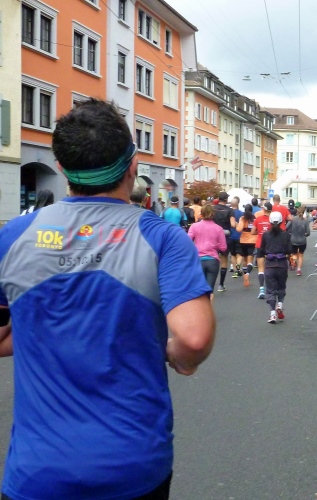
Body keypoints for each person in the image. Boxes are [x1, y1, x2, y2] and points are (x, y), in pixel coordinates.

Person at [0, 98, 215, 499]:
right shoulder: (164, 237)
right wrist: (179, 358)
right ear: (133, 165)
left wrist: (38, 327)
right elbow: (193, 338)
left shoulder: (11, 236)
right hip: (132, 463)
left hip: (38, 470)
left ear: (61, 168)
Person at [258, 211, 292, 323]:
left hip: (270, 265)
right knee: (281, 287)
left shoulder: (266, 235)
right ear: (282, 221)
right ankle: (280, 304)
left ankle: (272, 314)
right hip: (282, 264)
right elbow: (290, 250)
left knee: (270, 290)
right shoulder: (286, 235)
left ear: (270, 222)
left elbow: (261, 250)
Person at [188, 204, 228, 299]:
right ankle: (209, 307)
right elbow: (223, 248)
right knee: (210, 290)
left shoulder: (194, 226)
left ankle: (199, 307)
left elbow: (187, 241)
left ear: (201, 214)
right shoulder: (218, 229)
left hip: (198, 260)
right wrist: (215, 245)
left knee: (198, 289)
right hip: (212, 260)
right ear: (213, 214)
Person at [212, 192, 234, 292]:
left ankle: (210, 283)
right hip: (225, 236)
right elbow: (233, 224)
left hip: (213, 236)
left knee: (213, 259)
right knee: (224, 260)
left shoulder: (213, 209)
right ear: (226, 200)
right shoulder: (230, 210)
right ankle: (221, 284)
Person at [252, 202, 273, 299]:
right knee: (270, 267)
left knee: (260, 268)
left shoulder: (258, 219)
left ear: (263, 209)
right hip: (270, 245)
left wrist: (260, 232)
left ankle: (261, 290)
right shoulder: (273, 220)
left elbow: (252, 232)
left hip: (260, 244)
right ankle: (271, 289)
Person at [236, 205, 256, 287]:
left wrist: (237, 225)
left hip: (243, 240)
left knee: (244, 259)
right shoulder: (254, 218)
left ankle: (244, 273)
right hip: (252, 240)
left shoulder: (242, 218)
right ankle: (247, 274)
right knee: (250, 260)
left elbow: (239, 229)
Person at [286, 207, 310, 276]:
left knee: (294, 253)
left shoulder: (293, 219)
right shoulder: (305, 221)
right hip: (302, 240)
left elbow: (286, 227)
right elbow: (308, 232)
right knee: (301, 255)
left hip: (293, 239)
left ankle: (293, 263)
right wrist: (304, 235)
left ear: (297, 211)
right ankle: (299, 270)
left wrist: (291, 233)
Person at [229, 197, 244, 278]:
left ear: (231, 204)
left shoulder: (229, 213)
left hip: (231, 235)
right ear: (238, 204)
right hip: (240, 235)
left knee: (233, 254)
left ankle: (235, 270)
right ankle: (238, 265)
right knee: (240, 254)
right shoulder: (241, 213)